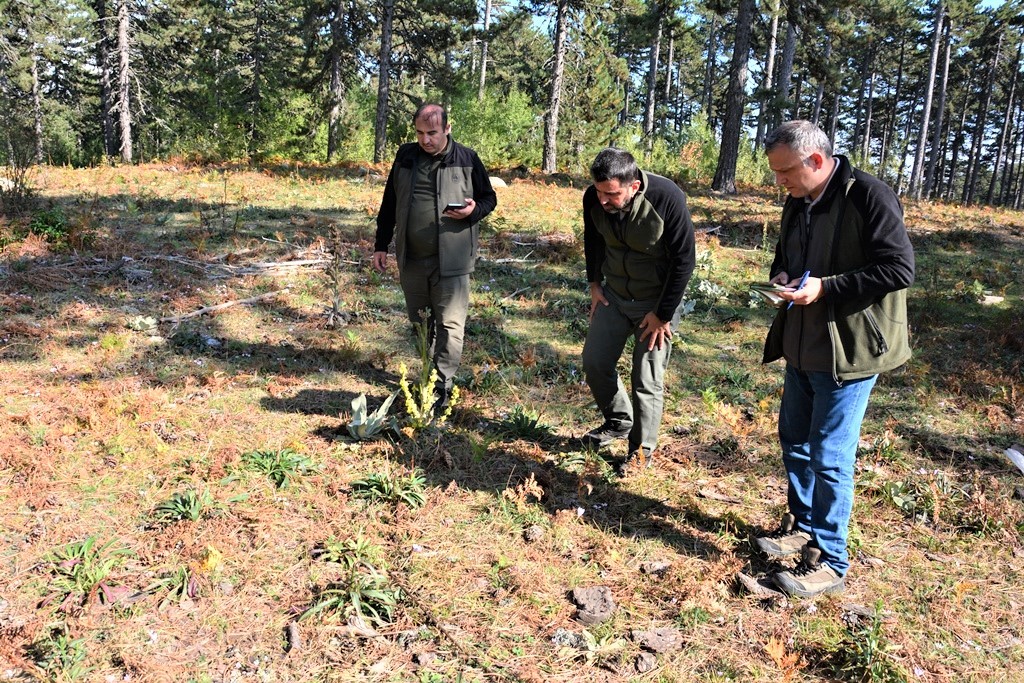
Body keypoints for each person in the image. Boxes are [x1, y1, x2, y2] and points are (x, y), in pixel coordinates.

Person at [754, 120, 914, 598]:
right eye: (776, 172)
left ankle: (831, 560)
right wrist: (783, 276)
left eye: (785, 171)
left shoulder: (869, 196)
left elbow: (899, 268)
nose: (779, 181)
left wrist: (826, 288)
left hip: (850, 350)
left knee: (830, 454)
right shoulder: (798, 199)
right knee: (795, 440)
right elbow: (788, 256)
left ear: (817, 160)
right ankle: (803, 526)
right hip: (802, 343)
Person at [373, 104, 497, 411]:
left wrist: (473, 211)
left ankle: (442, 386)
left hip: (452, 261)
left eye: (432, 133)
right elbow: (390, 201)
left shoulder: (466, 158)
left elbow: (489, 198)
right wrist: (381, 244)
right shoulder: (406, 156)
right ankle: (428, 373)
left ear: (447, 129)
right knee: (420, 323)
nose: (425, 140)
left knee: (450, 326)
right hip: (412, 258)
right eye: (420, 133)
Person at [580, 147, 696, 475]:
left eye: (612, 194)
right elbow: (593, 240)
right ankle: (618, 421)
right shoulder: (594, 198)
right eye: (599, 192)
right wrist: (594, 283)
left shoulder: (666, 197)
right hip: (615, 296)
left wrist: (663, 314)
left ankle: (640, 453)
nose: (603, 200)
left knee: (646, 378)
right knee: (595, 361)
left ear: (633, 186)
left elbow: (684, 260)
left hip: (656, 303)